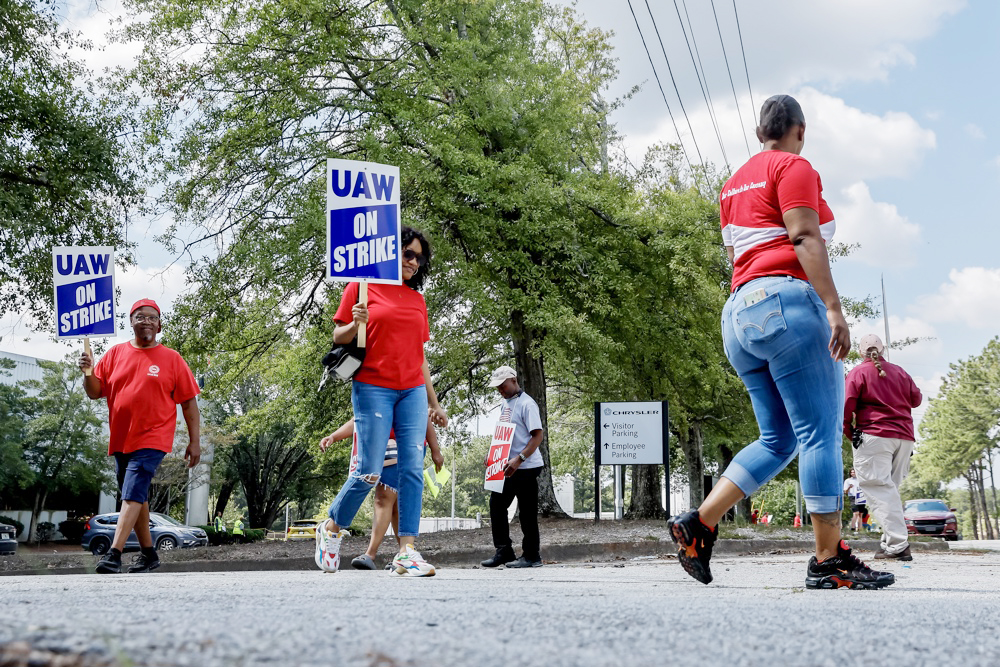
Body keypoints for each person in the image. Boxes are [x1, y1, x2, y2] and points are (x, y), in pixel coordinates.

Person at [667, 95, 894, 590]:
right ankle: (828, 559)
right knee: (817, 434)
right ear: (800, 129)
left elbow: (736, 254)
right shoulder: (794, 167)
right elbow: (805, 236)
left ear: (758, 133)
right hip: (786, 305)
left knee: (779, 439)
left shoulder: (732, 185)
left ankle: (698, 524)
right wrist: (834, 308)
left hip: (739, 315)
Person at [315, 227, 448, 576]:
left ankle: (406, 551)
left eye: (419, 257)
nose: (414, 262)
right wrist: (356, 321)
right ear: (391, 253)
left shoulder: (417, 300)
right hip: (374, 385)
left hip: (412, 391)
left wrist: (434, 402)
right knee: (370, 471)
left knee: (411, 471)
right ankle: (332, 527)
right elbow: (338, 335)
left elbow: (419, 356)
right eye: (408, 253)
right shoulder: (362, 286)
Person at [79, 299, 201, 574]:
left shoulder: (172, 359)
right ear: (130, 322)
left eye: (151, 317)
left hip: (153, 437)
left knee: (132, 492)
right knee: (137, 495)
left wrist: (195, 442)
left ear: (159, 325)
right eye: (139, 316)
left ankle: (114, 553)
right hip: (122, 439)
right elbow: (94, 391)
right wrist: (87, 372)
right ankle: (148, 553)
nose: (146, 321)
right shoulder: (114, 354)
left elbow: (189, 403)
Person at [318, 417, 444, 570]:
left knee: (390, 500)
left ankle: (381, 553)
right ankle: (400, 553)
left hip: (411, 445)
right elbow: (360, 419)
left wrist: (435, 449)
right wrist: (334, 436)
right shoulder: (377, 395)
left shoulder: (414, 395)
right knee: (389, 498)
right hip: (386, 445)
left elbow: (423, 415)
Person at [844, 333, 922, 561]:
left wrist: (850, 432)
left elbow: (846, 404)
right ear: (883, 349)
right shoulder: (900, 372)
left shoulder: (858, 372)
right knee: (889, 490)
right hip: (904, 438)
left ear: (861, 352)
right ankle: (889, 544)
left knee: (878, 489)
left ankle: (898, 545)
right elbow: (916, 399)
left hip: (875, 435)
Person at [480, 366, 545, 569]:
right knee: (496, 506)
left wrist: (520, 458)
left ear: (514, 381)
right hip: (506, 466)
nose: (500, 390)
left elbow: (538, 436)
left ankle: (532, 556)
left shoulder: (527, 404)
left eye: (503, 385)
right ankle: (504, 551)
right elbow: (504, 434)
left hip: (526, 466)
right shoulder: (504, 404)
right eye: (497, 387)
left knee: (527, 512)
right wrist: (493, 454)